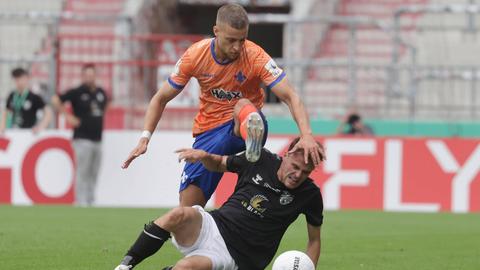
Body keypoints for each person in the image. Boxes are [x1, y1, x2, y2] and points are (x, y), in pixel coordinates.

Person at [122, 3, 324, 208]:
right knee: (187, 211)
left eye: (242, 40)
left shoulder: (256, 56)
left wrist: (306, 134)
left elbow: (291, 96)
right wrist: (144, 138)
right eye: (231, 40)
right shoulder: (195, 56)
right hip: (210, 132)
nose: (237, 47)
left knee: (243, 104)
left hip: (245, 126)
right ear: (216, 31)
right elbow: (160, 98)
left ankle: (251, 143)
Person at [114, 137, 324, 270]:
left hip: (238, 257)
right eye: (295, 166)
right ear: (286, 155)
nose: (298, 175)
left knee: (185, 268)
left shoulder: (310, 195)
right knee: (177, 215)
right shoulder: (259, 158)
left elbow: (314, 240)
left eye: (305, 172)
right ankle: (125, 266)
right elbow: (219, 163)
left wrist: (309, 267)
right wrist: (204, 156)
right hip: (214, 224)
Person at [51, 63, 109, 206]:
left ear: (95, 76)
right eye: (87, 75)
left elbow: (106, 105)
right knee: (82, 170)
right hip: (82, 138)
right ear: (83, 76)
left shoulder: (101, 92)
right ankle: (80, 201)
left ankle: (90, 200)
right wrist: (68, 116)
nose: (90, 78)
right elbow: (55, 100)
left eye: (92, 75)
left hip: (97, 139)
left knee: (94, 171)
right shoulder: (77, 92)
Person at [0, 68, 52, 134]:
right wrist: (2, 126)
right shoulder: (12, 95)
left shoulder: (34, 97)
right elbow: (6, 113)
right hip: (13, 131)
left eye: (21, 78)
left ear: (27, 78)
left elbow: (48, 112)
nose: (18, 82)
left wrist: (40, 127)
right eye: (16, 79)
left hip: (28, 133)